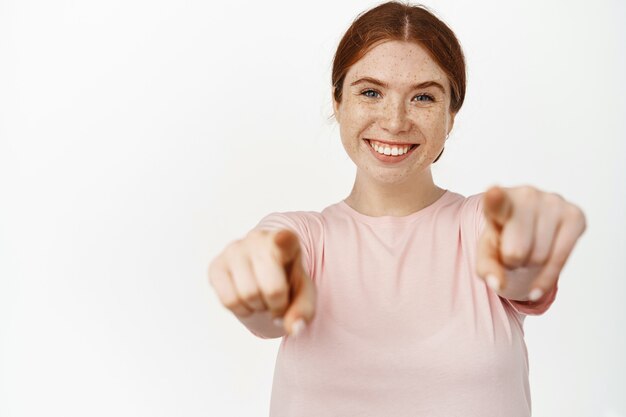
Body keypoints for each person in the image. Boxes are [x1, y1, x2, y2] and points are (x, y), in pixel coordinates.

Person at [208, 1, 587, 416]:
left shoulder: (478, 226)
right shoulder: (302, 237)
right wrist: (259, 289)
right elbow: (270, 306)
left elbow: (520, 270)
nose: (394, 121)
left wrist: (529, 252)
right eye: (371, 92)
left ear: (450, 117)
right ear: (338, 102)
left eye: (423, 97)